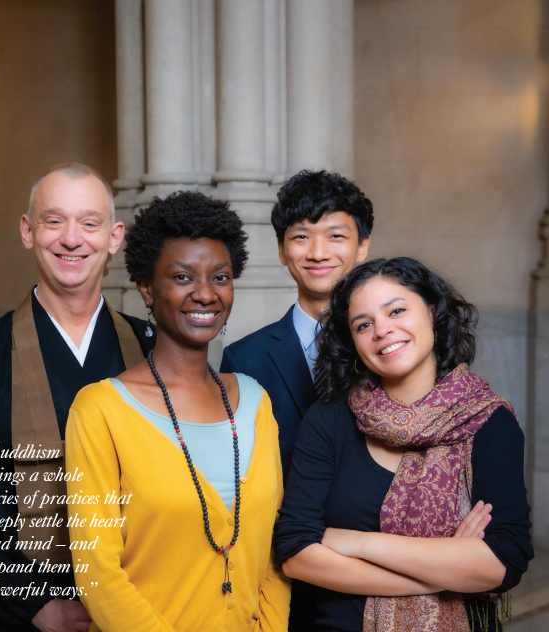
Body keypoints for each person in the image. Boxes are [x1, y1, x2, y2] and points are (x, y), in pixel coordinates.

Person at [0, 163, 155, 632]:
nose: (71, 239)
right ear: (27, 230)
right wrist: (36, 606)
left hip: (141, 606)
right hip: (23, 616)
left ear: (115, 236)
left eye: (90, 223)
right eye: (54, 220)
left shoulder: (150, 347)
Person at [64, 191, 291, 632]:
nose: (205, 294)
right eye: (183, 277)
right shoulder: (100, 411)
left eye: (220, 277)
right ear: (147, 287)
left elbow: (272, 552)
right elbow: (98, 572)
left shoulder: (256, 401)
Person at [274, 257, 534, 632]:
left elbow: (503, 561)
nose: (382, 330)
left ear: (432, 311)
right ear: (352, 340)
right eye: (363, 324)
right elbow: (296, 553)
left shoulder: (488, 421)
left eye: (396, 310)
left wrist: (355, 543)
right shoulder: (329, 418)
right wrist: (447, 572)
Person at [220, 170, 374, 632]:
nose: (318, 252)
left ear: (362, 245)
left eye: (335, 235)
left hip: (378, 568)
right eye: (301, 237)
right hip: (282, 573)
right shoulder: (242, 357)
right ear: (283, 250)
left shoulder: (392, 346)